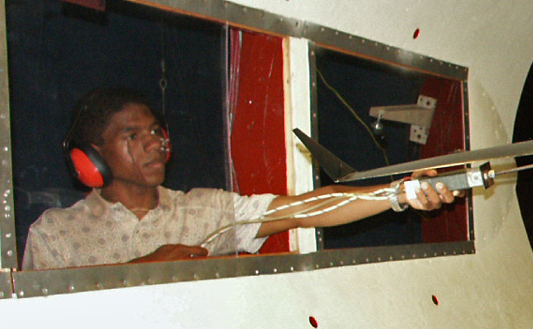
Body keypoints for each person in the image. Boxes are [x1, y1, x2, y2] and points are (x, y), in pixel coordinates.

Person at [21, 87, 459, 270]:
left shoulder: (205, 209)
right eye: (131, 136)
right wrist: (147, 269)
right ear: (90, 159)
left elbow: (306, 209)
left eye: (156, 131)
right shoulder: (55, 235)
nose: (153, 143)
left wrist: (398, 193)